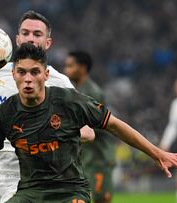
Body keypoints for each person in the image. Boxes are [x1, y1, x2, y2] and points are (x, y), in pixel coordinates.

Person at [0, 43, 177, 203]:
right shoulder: (4, 113)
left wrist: (157, 152)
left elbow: (114, 124)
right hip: (30, 193)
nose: (28, 79)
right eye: (22, 72)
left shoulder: (70, 101)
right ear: (14, 75)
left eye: (35, 72)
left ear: (46, 74)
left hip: (69, 192)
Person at [0, 10, 95, 203]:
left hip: (37, 175)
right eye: (25, 33)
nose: (30, 38)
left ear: (48, 43)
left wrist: (48, 132)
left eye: (37, 34)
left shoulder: (60, 82)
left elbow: (86, 131)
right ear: (17, 39)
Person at [64, 51, 115, 203]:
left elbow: (97, 125)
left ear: (83, 68)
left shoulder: (93, 92)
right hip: (82, 156)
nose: (66, 70)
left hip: (98, 157)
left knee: (101, 198)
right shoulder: (71, 89)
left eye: (70, 66)